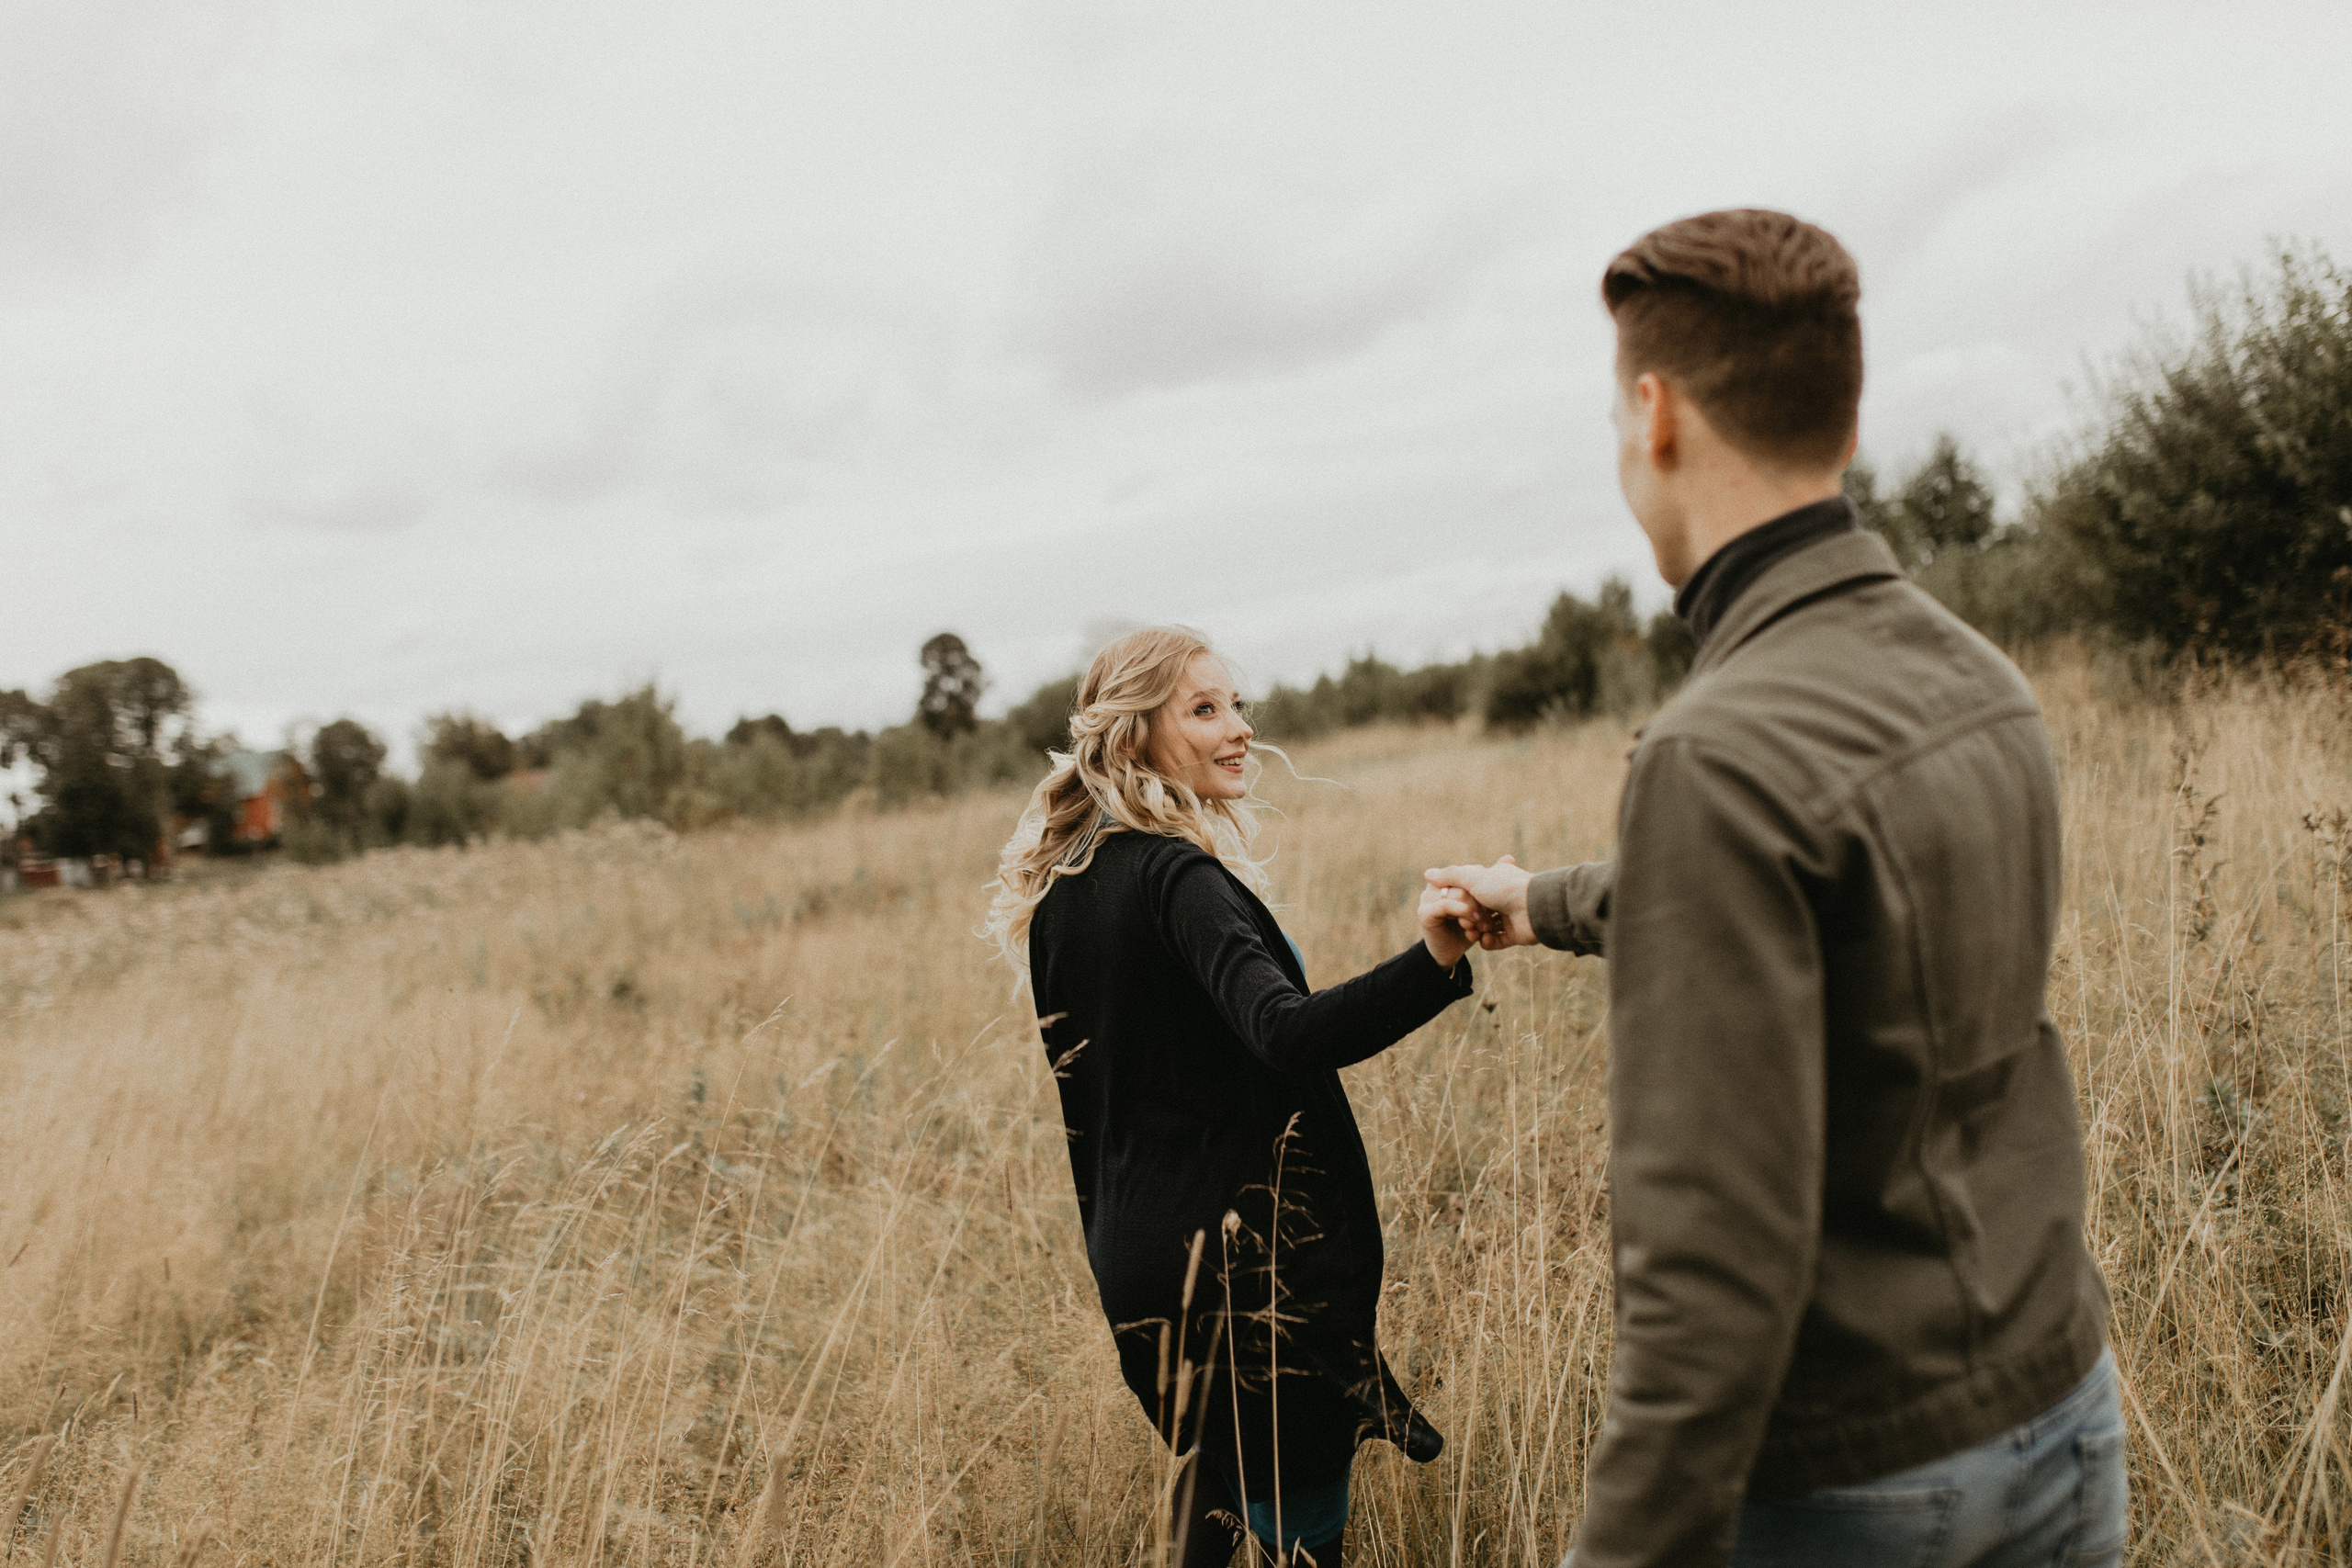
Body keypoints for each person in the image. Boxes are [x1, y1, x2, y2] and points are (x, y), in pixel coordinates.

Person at [1428, 210, 2124, 1568]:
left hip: (1862, 1481)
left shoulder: (1716, 754)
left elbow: (1709, 1283)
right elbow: (1829, 906)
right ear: (1843, 428)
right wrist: (1545, 899)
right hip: (2063, 1405)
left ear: (1656, 412)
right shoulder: (1979, 676)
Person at [985, 626, 1480, 1567]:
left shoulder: (1066, 888)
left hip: (1143, 1269)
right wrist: (1436, 958)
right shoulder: (1179, 880)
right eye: (1204, 710)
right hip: (1247, 1275)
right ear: (1131, 735)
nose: (1238, 729)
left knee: (1209, 1523)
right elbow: (1286, 1032)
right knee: (1303, 1550)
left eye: (1237, 706)